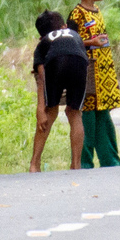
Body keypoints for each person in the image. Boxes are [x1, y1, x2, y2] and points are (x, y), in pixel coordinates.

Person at [67, 0, 120, 168]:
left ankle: (111, 161)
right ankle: (84, 163)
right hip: (87, 74)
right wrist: (91, 42)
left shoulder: (97, 11)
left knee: (104, 118)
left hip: (104, 75)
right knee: (87, 118)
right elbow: (70, 42)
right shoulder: (77, 14)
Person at [29, 10, 87, 171]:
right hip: (79, 62)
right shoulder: (75, 35)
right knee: (74, 112)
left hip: (56, 62)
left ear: (41, 36)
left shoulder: (44, 42)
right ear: (64, 26)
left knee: (50, 112)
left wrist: (40, 109)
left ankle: (34, 164)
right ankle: (76, 164)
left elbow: (41, 77)